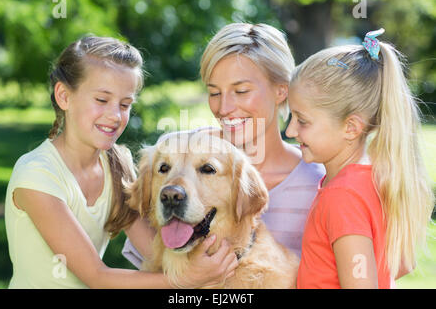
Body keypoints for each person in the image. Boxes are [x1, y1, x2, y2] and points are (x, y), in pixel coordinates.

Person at [4, 36, 238, 289]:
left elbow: (154, 253)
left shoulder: (116, 164)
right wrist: (187, 279)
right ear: (64, 96)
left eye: (125, 104)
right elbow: (97, 276)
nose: (115, 115)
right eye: (102, 100)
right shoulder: (37, 174)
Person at [122, 23, 325, 267]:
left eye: (240, 91)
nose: (224, 108)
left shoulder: (317, 181)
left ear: (281, 90)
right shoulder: (173, 153)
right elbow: (150, 258)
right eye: (215, 93)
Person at [285, 29, 434, 288]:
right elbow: (398, 265)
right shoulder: (373, 180)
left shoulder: (341, 196)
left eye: (302, 120)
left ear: (351, 127)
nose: (290, 131)